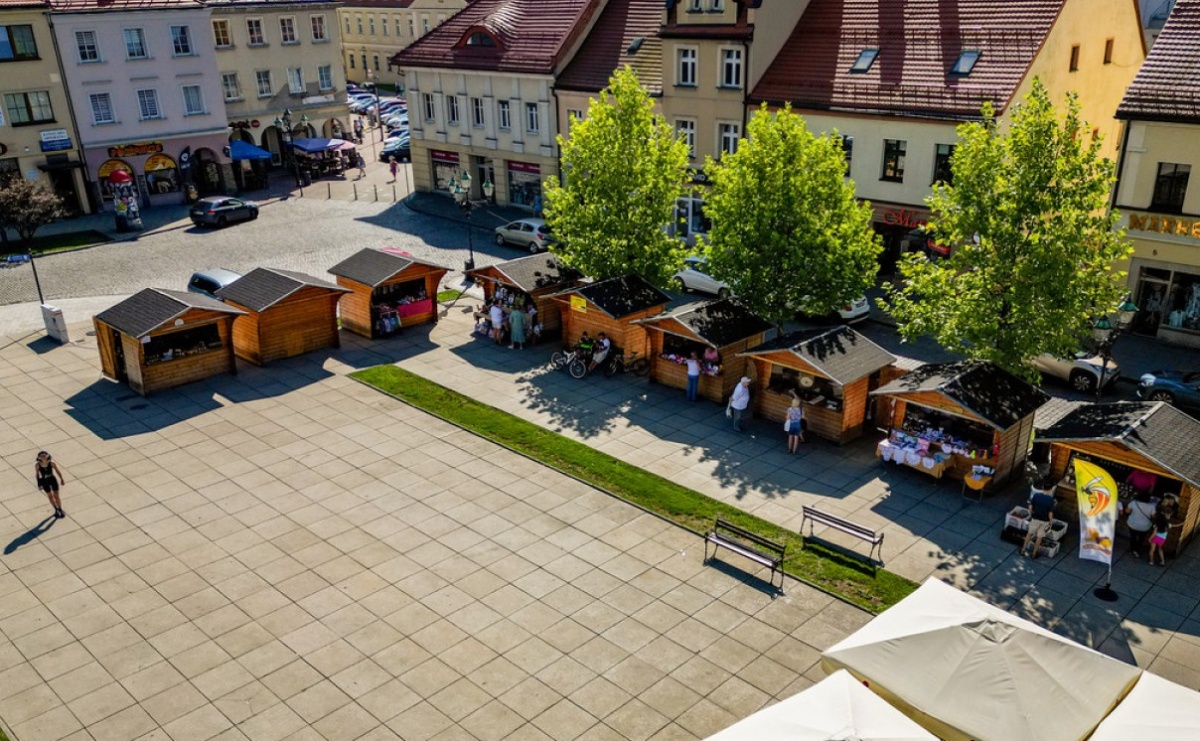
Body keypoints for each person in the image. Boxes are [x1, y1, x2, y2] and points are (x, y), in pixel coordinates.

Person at [1022, 478, 1056, 558]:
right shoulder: (1051, 500)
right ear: (1051, 489)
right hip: (1044, 521)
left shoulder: (1036, 496)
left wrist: (1031, 514)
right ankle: (1034, 553)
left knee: (1029, 533)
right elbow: (1050, 513)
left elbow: (1030, 506)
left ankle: (1023, 549)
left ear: (1043, 487)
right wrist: (1051, 522)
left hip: (1035, 518)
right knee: (1039, 537)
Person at [1124, 490, 1157, 558]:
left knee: (1133, 537)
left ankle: (1132, 549)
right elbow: (1153, 516)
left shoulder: (1133, 503)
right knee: (1141, 538)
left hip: (1133, 524)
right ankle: (1137, 550)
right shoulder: (1151, 506)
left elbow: (1127, 511)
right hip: (1145, 526)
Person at [34, 451, 66, 519]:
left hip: (52, 479)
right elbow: (37, 474)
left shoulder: (52, 463)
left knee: (56, 495)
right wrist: (39, 483)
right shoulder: (37, 465)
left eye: (45, 455)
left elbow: (57, 470)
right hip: (44, 481)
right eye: (42, 456)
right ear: (39, 457)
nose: (44, 457)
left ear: (47, 456)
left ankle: (60, 508)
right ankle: (56, 509)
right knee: (50, 496)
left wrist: (61, 479)